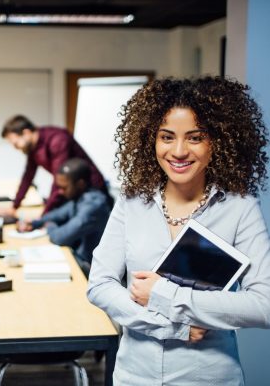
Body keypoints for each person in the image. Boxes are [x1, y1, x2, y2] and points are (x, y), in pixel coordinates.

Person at [87, 76, 270, 385]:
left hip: (210, 378)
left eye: (195, 137)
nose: (179, 151)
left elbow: (264, 305)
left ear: (219, 141)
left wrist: (164, 295)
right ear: (152, 141)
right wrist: (172, 326)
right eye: (167, 137)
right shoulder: (131, 203)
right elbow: (100, 285)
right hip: (134, 377)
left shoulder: (240, 208)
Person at [1, 115, 113, 215]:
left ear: (26, 133)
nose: (15, 148)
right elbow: (27, 177)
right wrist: (14, 206)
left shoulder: (57, 139)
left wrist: (44, 215)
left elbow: (58, 181)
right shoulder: (33, 148)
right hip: (73, 192)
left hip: (92, 191)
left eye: (15, 144)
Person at [18, 158, 110, 276]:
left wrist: (50, 226)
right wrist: (35, 223)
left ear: (80, 184)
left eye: (64, 187)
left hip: (91, 270)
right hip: (79, 261)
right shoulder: (79, 197)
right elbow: (57, 214)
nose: (60, 192)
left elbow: (61, 237)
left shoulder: (93, 206)